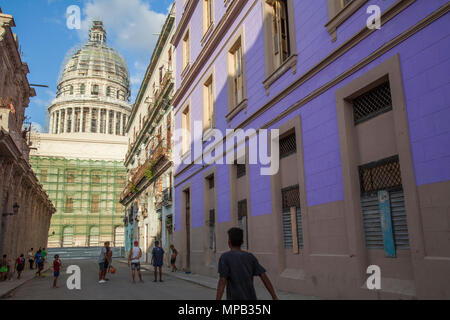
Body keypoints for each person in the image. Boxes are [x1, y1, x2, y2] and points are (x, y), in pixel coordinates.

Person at [216, 227, 278, 300]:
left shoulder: (225, 257)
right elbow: (264, 276)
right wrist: (274, 297)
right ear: (242, 242)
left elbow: (222, 281)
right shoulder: (250, 257)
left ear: (229, 242)